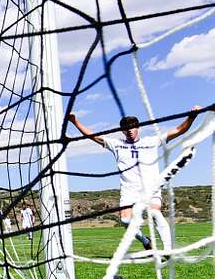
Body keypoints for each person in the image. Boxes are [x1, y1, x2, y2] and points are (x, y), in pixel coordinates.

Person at [69, 108, 202, 251]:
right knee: (125, 220)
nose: (130, 130)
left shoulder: (152, 141)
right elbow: (92, 135)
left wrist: (191, 117)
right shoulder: (116, 144)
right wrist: (75, 121)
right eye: (126, 129)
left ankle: (168, 250)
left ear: (138, 127)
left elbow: (178, 130)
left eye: (132, 127)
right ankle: (146, 241)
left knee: (155, 213)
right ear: (122, 131)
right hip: (129, 191)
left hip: (151, 187)